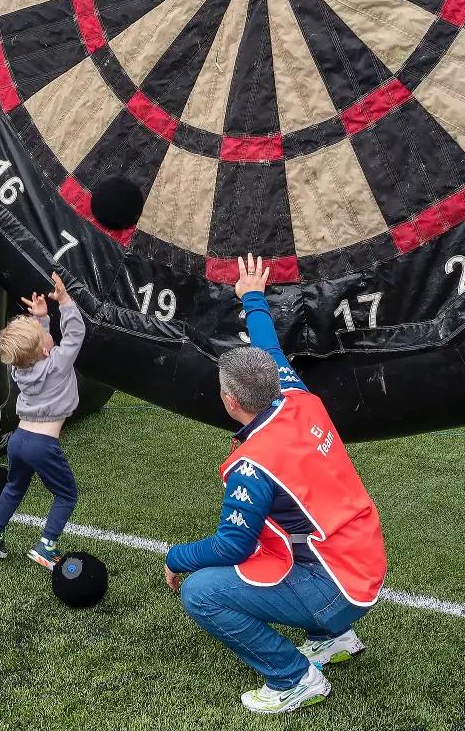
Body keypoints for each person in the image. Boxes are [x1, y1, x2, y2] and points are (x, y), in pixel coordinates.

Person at [164, 254, 387, 714]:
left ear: (229, 400)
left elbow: (232, 547)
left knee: (200, 592)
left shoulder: (251, 464)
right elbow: (271, 350)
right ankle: (332, 640)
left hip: (337, 586)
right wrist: (252, 297)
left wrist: (176, 557)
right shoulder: (297, 398)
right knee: (285, 540)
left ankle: (294, 678)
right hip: (363, 557)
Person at [0, 272, 86, 569]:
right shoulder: (57, 363)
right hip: (42, 445)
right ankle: (46, 546)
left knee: (14, 486)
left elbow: (36, 348)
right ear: (44, 350)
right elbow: (75, 333)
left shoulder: (20, 369)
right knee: (66, 494)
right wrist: (64, 301)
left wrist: (41, 318)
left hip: (19, 441)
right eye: (43, 334)